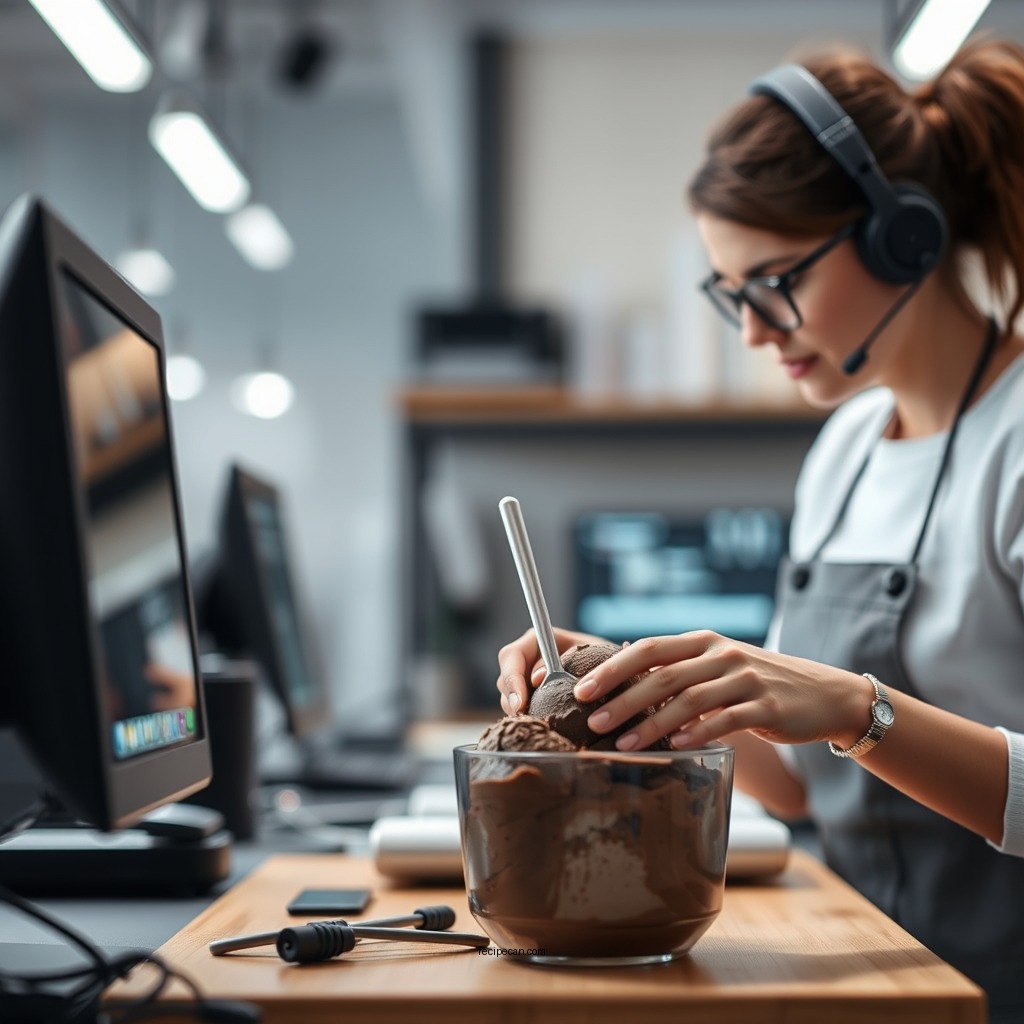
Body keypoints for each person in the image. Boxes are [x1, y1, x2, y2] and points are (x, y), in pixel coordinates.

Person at [496, 37, 1024, 1020]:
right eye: (732, 293)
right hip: (877, 971)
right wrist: (642, 690)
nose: (751, 330)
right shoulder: (847, 446)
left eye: (774, 281)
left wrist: (854, 706)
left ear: (897, 236)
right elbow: (790, 786)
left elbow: (833, 715)